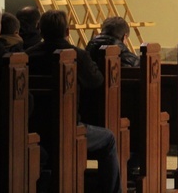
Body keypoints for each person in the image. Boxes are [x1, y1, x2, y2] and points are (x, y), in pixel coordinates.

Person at [26, 10, 122, 193]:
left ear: (41, 30)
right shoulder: (75, 55)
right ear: (67, 31)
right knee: (109, 138)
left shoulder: (28, 55)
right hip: (66, 128)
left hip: (34, 126)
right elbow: (97, 81)